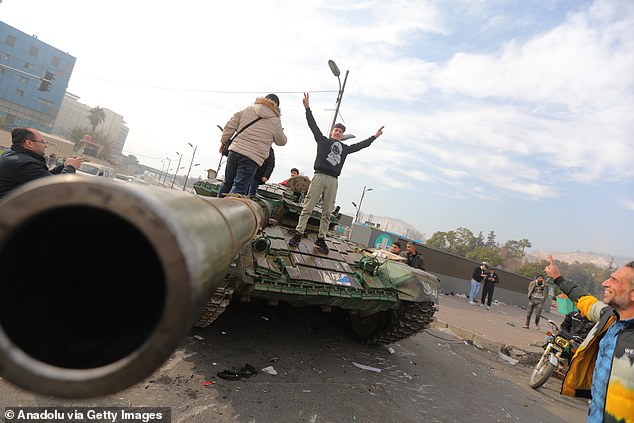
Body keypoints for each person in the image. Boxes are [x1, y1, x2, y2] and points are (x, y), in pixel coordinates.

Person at [288, 92, 383, 254]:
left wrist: (374, 137)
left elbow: (360, 145)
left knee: (327, 211)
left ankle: (321, 238)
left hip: (333, 180)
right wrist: (307, 108)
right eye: (336, 130)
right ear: (332, 132)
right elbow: (313, 126)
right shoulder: (323, 141)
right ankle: (299, 232)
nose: (338, 132)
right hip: (319, 176)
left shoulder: (345, 149)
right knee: (308, 206)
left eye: (340, 131)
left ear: (342, 135)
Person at [545, 255, 633, 423]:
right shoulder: (609, 317)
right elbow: (584, 300)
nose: (605, 283)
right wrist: (558, 278)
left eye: (614, 281)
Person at [218, 94, 287, 196]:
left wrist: (223, 142)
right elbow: (282, 141)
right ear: (277, 106)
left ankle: (216, 209)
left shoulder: (249, 109)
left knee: (227, 183)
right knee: (239, 187)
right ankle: (228, 210)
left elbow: (230, 126)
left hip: (235, 151)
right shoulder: (275, 120)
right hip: (251, 158)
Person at [0, 127, 83, 199]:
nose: (45, 145)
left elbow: (43, 178)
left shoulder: (13, 155)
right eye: (42, 142)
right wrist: (71, 167)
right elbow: (59, 189)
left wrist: (63, 166)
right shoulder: (24, 164)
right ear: (29, 143)